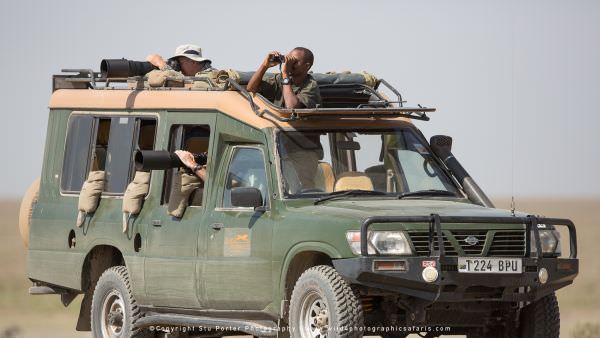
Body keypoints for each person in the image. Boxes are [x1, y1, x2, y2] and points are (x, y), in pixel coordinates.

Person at [246, 47, 321, 109]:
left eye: (294, 62)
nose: (289, 64)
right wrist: (265, 66)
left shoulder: (310, 85)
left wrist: (285, 74)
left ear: (307, 66)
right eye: (289, 60)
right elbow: (251, 88)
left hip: (301, 125)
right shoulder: (280, 78)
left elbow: (291, 107)